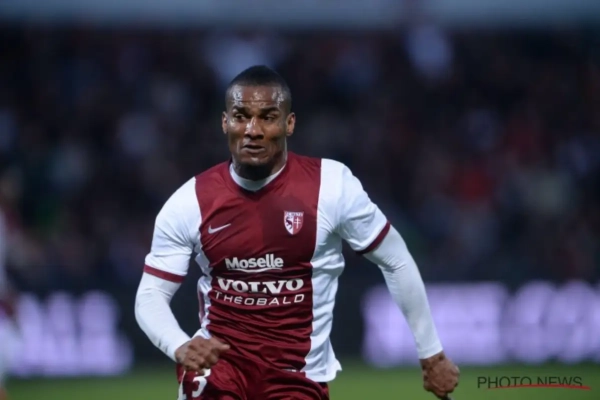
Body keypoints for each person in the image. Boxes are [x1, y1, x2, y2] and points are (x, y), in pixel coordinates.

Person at [135, 65, 459, 400]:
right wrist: (178, 344)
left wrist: (431, 353)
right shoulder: (191, 201)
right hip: (219, 369)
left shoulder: (332, 187)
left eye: (268, 117)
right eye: (241, 117)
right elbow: (150, 294)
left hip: (298, 376)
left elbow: (396, 260)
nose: (253, 130)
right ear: (225, 122)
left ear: (289, 124)